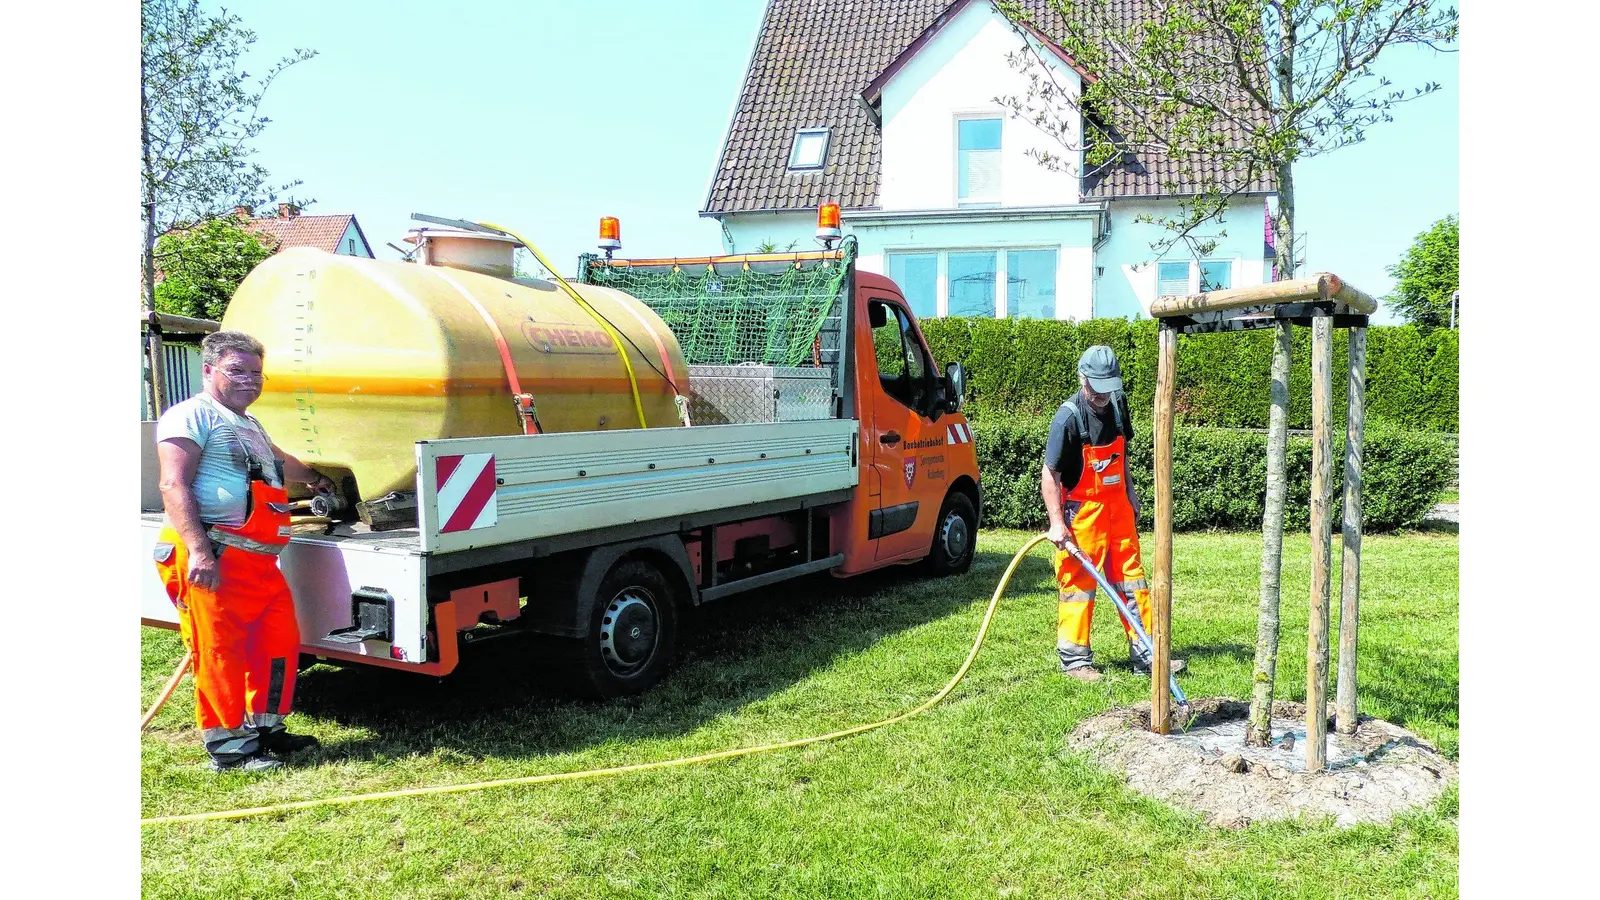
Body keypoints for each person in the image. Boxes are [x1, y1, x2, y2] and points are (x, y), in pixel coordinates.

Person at [153, 331, 335, 772]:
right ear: (209, 370)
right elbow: (173, 483)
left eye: (256, 372)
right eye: (238, 371)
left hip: (255, 558)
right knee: (221, 652)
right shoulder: (191, 416)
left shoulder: (247, 423)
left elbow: (277, 461)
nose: (250, 380)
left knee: (277, 643)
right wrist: (199, 552)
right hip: (213, 552)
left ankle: (266, 729)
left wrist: (317, 478)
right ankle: (230, 748)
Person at [1040, 345, 1185, 682]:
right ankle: (1076, 660)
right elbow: (1051, 474)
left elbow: (1123, 458)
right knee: (1079, 583)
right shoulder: (1068, 417)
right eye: (1096, 387)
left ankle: (1147, 654)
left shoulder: (1118, 406)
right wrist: (1057, 523)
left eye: (1109, 387)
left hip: (1118, 509)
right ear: (1082, 378)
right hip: (1083, 514)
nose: (1103, 395)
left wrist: (1131, 497)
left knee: (1133, 580)